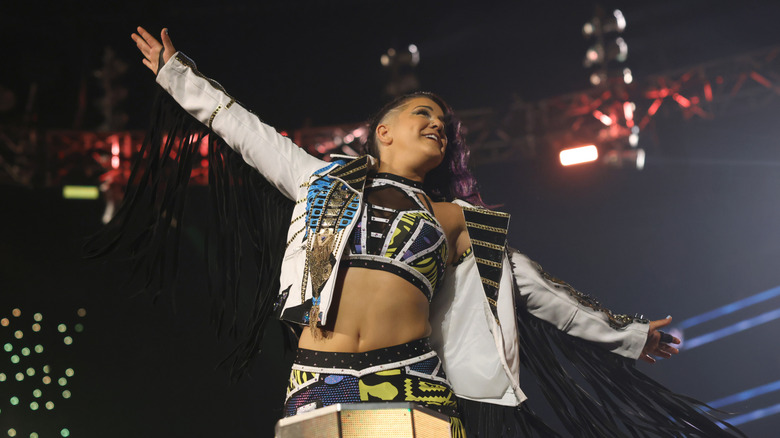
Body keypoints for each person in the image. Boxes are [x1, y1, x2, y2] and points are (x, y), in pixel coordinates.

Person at [108, 27, 744, 437]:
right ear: (383, 131)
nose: (438, 124)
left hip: (411, 378)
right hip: (314, 381)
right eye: (423, 114)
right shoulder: (318, 179)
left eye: (444, 123)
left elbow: (545, 294)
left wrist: (632, 333)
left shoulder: (460, 223)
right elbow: (239, 128)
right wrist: (174, 73)